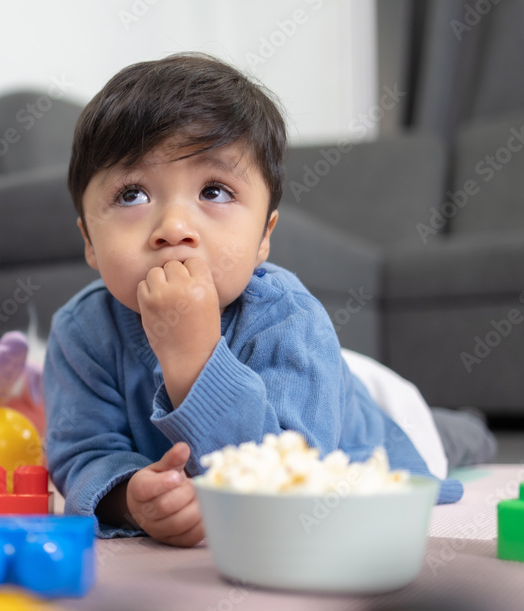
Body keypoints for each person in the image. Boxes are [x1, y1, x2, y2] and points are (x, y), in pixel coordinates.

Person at [43, 52, 496, 547]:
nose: (174, 228)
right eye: (132, 195)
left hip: (360, 420)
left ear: (264, 236)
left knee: (442, 438)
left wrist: (194, 360)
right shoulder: (81, 331)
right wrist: (129, 496)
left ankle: (469, 425)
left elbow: (290, 473)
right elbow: (81, 453)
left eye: (214, 191)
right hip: (329, 375)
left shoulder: (290, 317)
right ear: (89, 241)